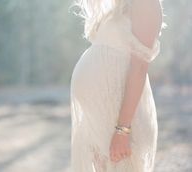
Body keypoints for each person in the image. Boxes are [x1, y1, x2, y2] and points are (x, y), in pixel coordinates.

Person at [69, 0, 166, 171]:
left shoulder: (146, 3)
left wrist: (122, 130)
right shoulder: (119, 6)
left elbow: (140, 67)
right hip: (99, 115)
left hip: (119, 115)